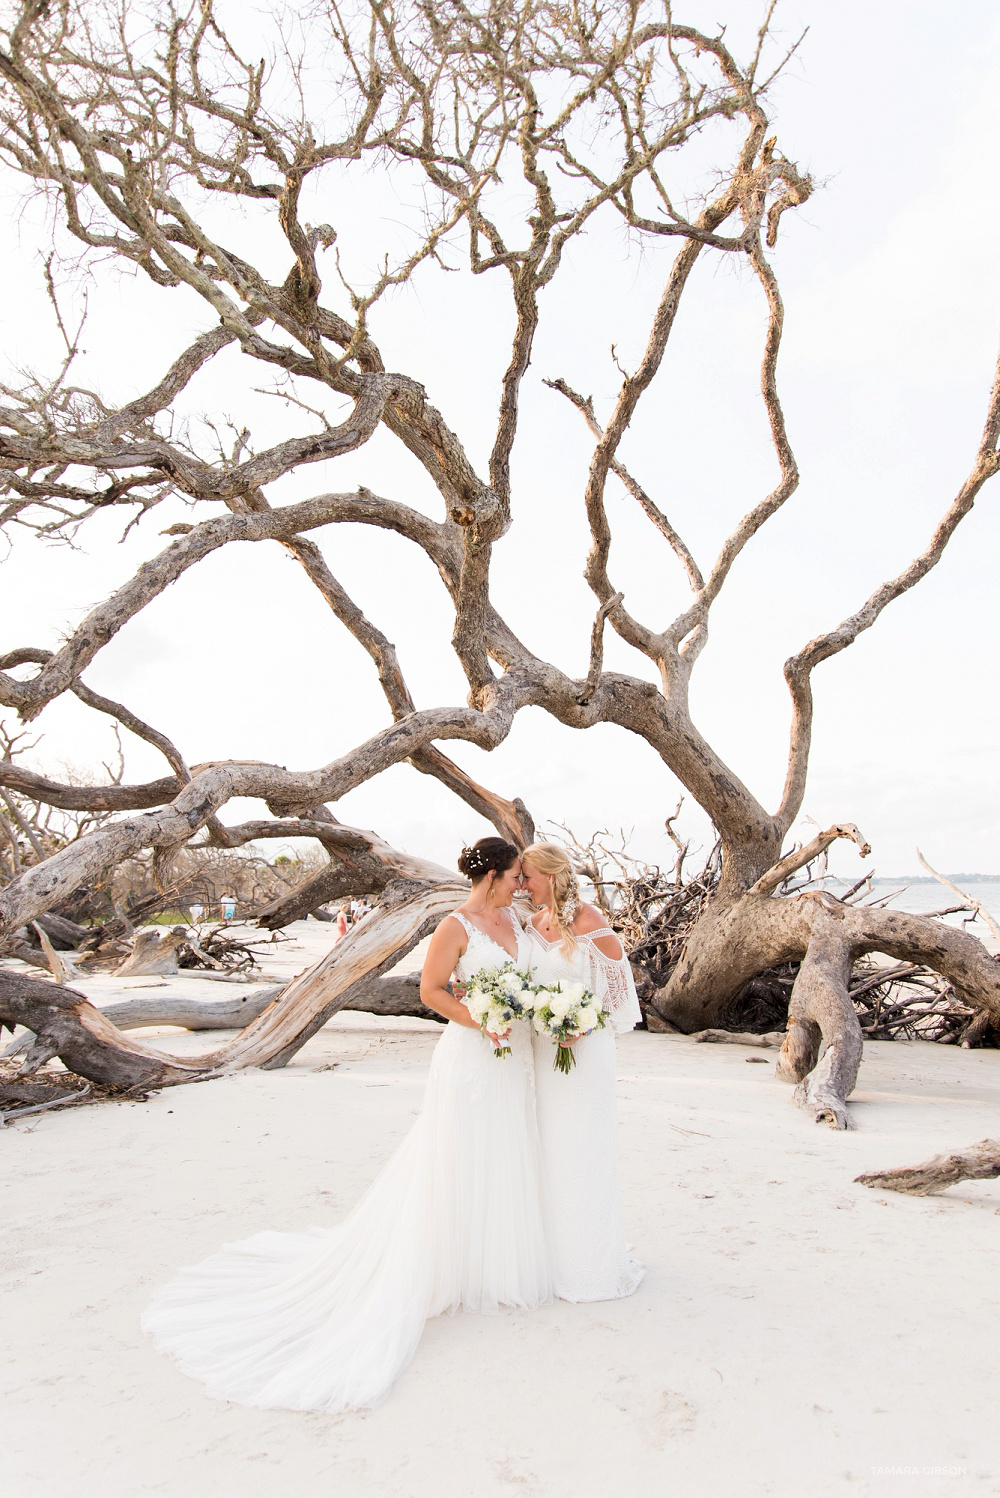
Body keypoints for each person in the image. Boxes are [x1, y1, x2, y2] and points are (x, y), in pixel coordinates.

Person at [141, 836, 551, 1413]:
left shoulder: (521, 920)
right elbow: (432, 992)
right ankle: (444, 1264)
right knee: (456, 1152)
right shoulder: (455, 928)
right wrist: (482, 1021)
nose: (520, 885)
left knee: (507, 1147)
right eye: (515, 877)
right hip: (476, 1056)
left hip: (518, 1060)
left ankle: (491, 1260)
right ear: (493, 877)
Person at [518, 842, 645, 1303]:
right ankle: (551, 1256)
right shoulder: (531, 925)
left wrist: (581, 1026)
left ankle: (589, 1263)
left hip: (585, 1056)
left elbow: (618, 997)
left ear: (551, 876)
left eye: (528, 876)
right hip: (541, 1054)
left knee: (583, 1148)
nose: (522, 885)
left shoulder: (591, 923)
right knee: (548, 1148)